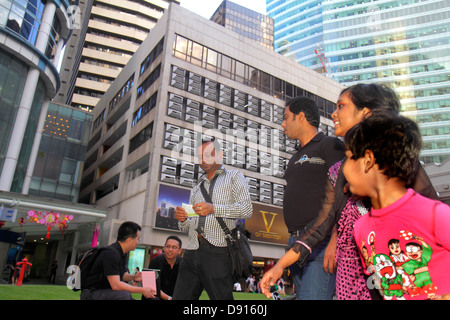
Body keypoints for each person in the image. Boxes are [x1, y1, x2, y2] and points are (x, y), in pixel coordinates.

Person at [261, 83, 437, 300]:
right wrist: (279, 266)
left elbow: (432, 213)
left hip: (403, 269)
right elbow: (320, 226)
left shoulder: (398, 161)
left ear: (365, 113)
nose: (333, 113)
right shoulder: (338, 171)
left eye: (341, 106)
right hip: (352, 274)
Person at [344, 111, 450, 300]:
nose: (343, 167)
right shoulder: (360, 229)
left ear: (367, 160)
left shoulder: (434, 214)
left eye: (349, 157)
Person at [280, 96, 345, 299]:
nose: (282, 124)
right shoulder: (294, 156)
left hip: (322, 242)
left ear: (300, 117)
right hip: (295, 242)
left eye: (285, 117)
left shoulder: (330, 145)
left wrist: (335, 240)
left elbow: (342, 193)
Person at [172, 138, 253, 300]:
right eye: (200, 156)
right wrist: (182, 220)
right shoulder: (196, 188)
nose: (203, 160)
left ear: (220, 155)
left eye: (208, 154)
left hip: (218, 251)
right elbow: (188, 226)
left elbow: (247, 209)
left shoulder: (234, 177)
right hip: (192, 251)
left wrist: (213, 208)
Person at [80, 221, 156, 300]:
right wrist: (142, 290)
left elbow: (122, 276)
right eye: (138, 239)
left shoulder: (122, 253)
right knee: (124, 295)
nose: (138, 242)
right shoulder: (110, 253)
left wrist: (134, 277)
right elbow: (116, 285)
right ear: (129, 240)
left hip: (105, 292)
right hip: (91, 293)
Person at [143, 235, 182, 300]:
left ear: (179, 251)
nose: (170, 249)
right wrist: (169, 298)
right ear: (164, 248)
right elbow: (152, 288)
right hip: (154, 297)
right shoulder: (155, 262)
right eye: (167, 246)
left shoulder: (182, 263)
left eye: (174, 247)